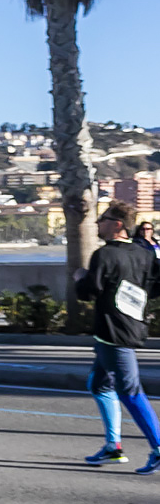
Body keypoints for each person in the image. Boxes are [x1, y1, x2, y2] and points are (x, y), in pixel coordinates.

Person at [76, 198, 160, 472]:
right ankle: (113, 447)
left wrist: (80, 277)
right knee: (99, 385)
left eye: (102, 219)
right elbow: (154, 288)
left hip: (114, 332)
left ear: (117, 225)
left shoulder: (105, 254)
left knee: (130, 391)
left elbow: (88, 292)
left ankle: (158, 448)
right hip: (127, 327)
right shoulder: (144, 254)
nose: (98, 223)